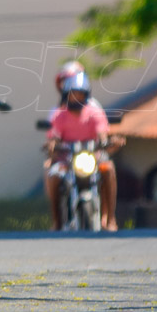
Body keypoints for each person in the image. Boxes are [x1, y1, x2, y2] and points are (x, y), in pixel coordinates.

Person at [43, 67, 122, 231]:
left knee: (109, 170)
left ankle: (110, 219)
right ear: (66, 95)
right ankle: (57, 221)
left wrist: (108, 141)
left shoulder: (94, 113)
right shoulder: (60, 115)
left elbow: (101, 133)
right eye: (73, 94)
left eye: (80, 94)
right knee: (53, 176)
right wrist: (52, 144)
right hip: (68, 160)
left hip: (92, 158)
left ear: (86, 95)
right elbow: (55, 136)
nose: (76, 98)